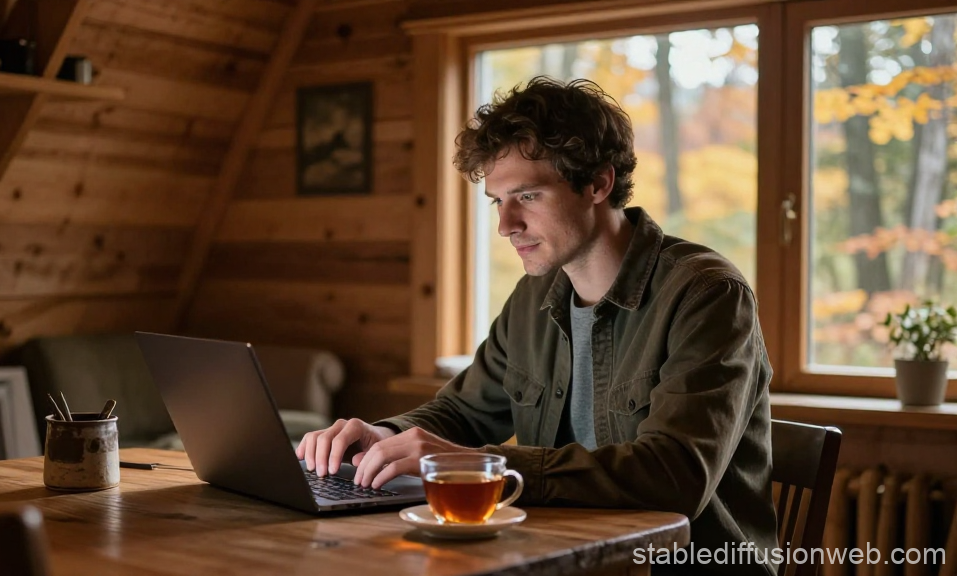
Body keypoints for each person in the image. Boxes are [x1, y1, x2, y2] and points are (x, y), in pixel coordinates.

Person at [296, 77, 778, 576]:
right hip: (567, 559)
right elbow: (463, 412)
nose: (506, 225)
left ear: (597, 183)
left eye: (527, 195)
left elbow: (674, 476)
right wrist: (383, 436)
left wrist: (484, 468)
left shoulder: (707, 294)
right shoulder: (536, 294)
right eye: (497, 201)